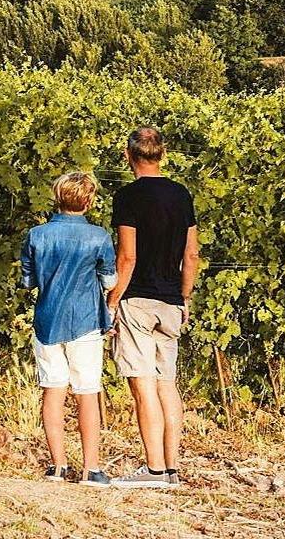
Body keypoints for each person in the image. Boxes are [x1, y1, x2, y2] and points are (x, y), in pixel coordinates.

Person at [107, 126, 199, 489]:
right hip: (171, 301)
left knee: (142, 385)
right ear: (162, 154)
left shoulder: (128, 196)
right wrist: (185, 296)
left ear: (130, 156)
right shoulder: (181, 194)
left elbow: (127, 256)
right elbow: (191, 254)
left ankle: (154, 470)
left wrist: (112, 300)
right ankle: (172, 467)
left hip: (138, 300)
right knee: (167, 385)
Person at [20, 171, 117, 486]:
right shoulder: (99, 236)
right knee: (87, 392)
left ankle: (58, 466)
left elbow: (28, 280)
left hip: (47, 320)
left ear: (57, 198)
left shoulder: (37, 235)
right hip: (86, 320)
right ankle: (91, 468)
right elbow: (109, 279)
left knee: (53, 390)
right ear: (89, 201)